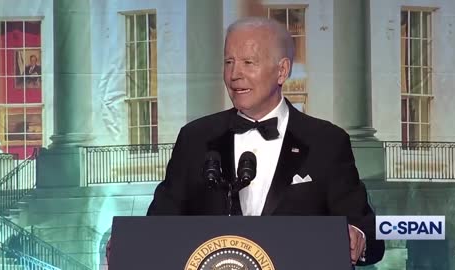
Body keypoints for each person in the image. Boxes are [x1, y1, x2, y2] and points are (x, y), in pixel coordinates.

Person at [147, 17, 385, 266]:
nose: (234, 74)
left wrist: (357, 238)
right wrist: (129, 244)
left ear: (282, 70)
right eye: (229, 62)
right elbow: (159, 223)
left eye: (248, 63)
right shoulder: (195, 138)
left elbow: (368, 233)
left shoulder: (327, 142)